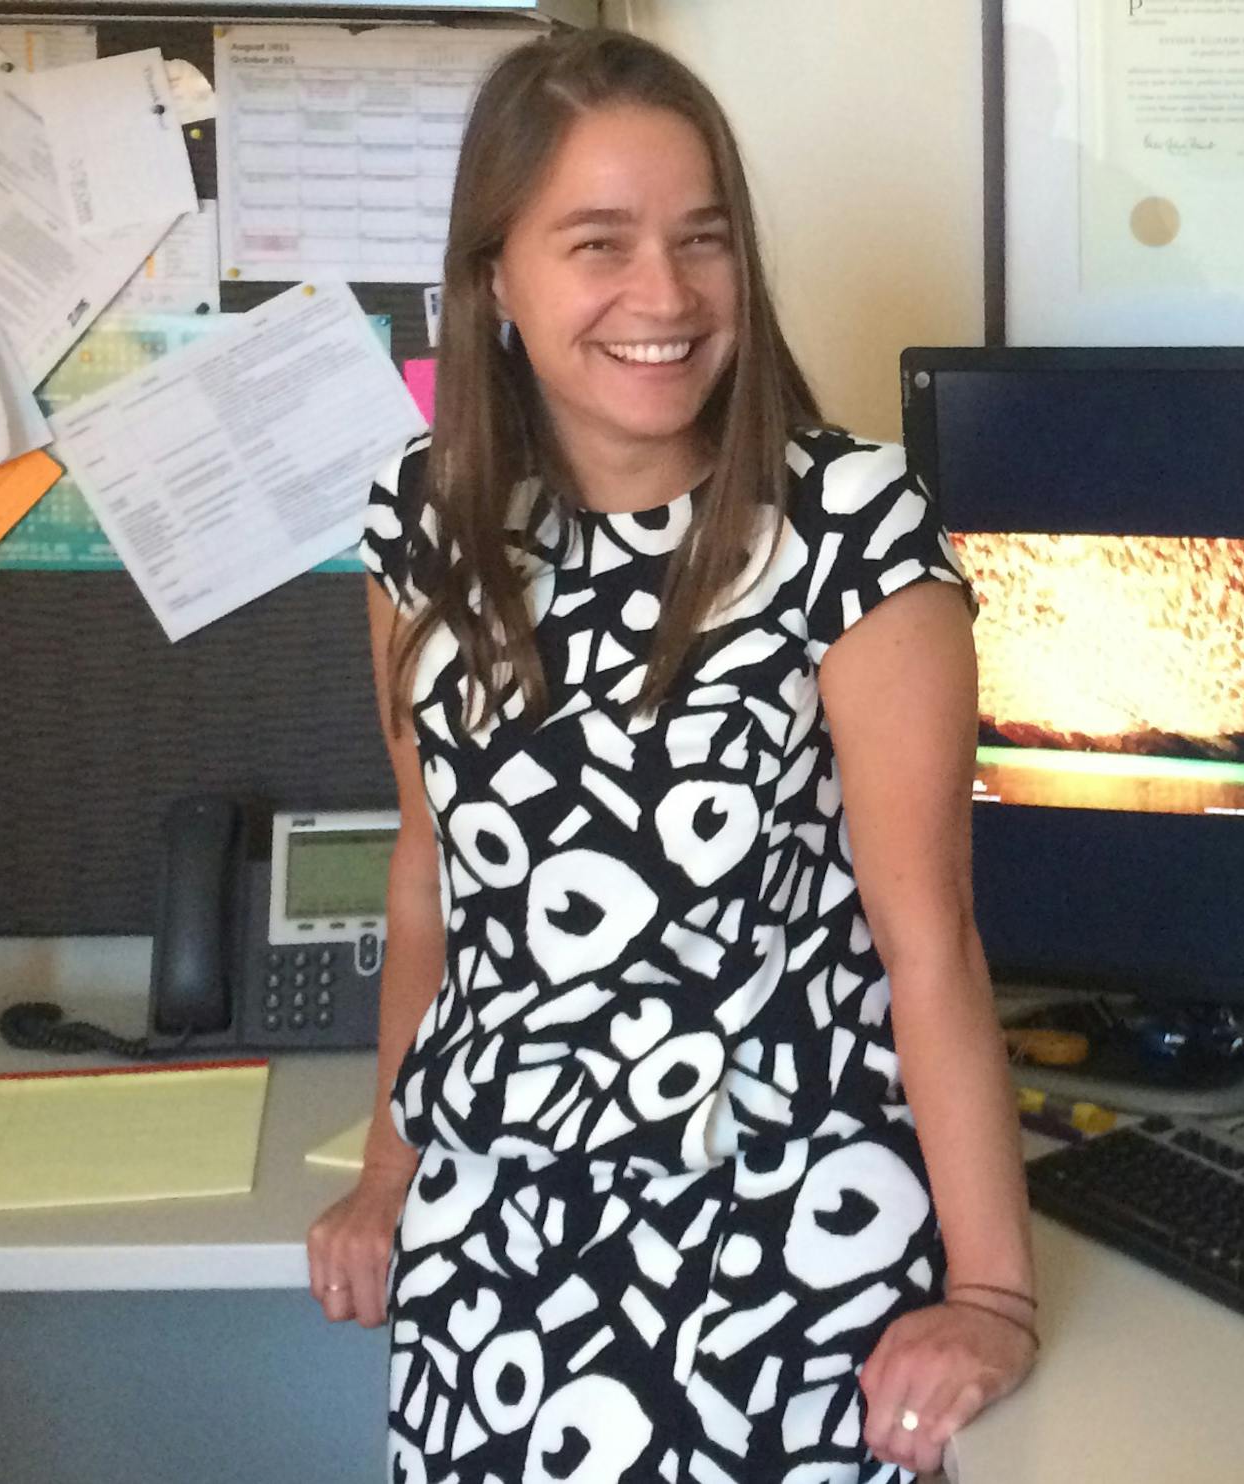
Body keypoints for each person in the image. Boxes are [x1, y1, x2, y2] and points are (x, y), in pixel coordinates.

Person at [304, 29, 1036, 1483]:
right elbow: (429, 884)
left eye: (702, 240)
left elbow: (930, 949)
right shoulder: (423, 527)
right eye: (599, 243)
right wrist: (390, 1167)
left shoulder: (849, 535)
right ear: (494, 273)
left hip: (779, 1248)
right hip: (490, 1249)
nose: (666, 294)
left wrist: (990, 1294)